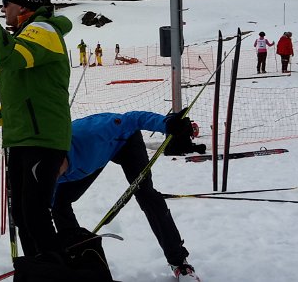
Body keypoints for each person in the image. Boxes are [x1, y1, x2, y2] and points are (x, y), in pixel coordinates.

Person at [0, 0, 72, 263]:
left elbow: (11, 57)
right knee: (23, 217)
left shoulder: (43, 30)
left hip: (41, 140)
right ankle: (39, 271)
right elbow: (22, 99)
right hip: (21, 139)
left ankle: (57, 273)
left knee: (35, 215)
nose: (3, 10)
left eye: (6, 4)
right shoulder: (25, 37)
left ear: (24, 5)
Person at [51, 110, 203, 281]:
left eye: (54, 171)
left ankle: (179, 263)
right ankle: (78, 260)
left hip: (125, 141)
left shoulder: (91, 133)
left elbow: (132, 119)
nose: (53, 178)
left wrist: (165, 124)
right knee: (58, 204)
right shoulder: (48, 175)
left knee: (146, 196)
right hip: (93, 158)